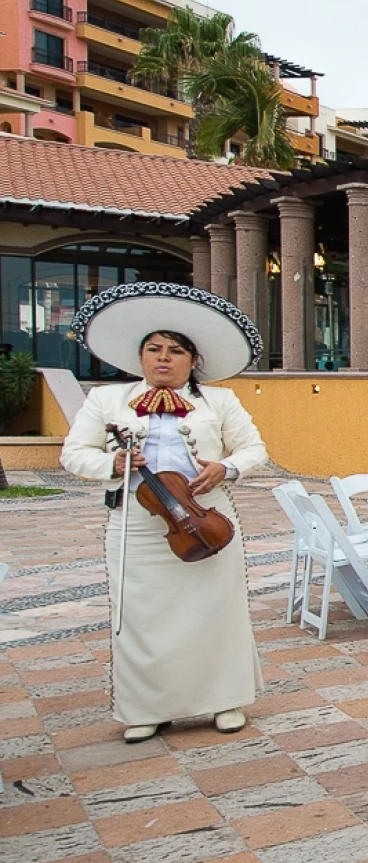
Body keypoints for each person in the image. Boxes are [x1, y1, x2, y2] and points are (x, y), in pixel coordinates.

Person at [62, 283, 270, 742]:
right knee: (141, 617)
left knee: (218, 610)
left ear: (192, 360)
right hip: (138, 523)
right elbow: (73, 454)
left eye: (175, 351)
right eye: (154, 349)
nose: (163, 358)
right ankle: (147, 707)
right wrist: (111, 464)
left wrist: (226, 467)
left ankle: (224, 700)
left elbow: (256, 449)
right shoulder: (106, 401)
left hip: (205, 516)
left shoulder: (220, 401)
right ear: (140, 358)